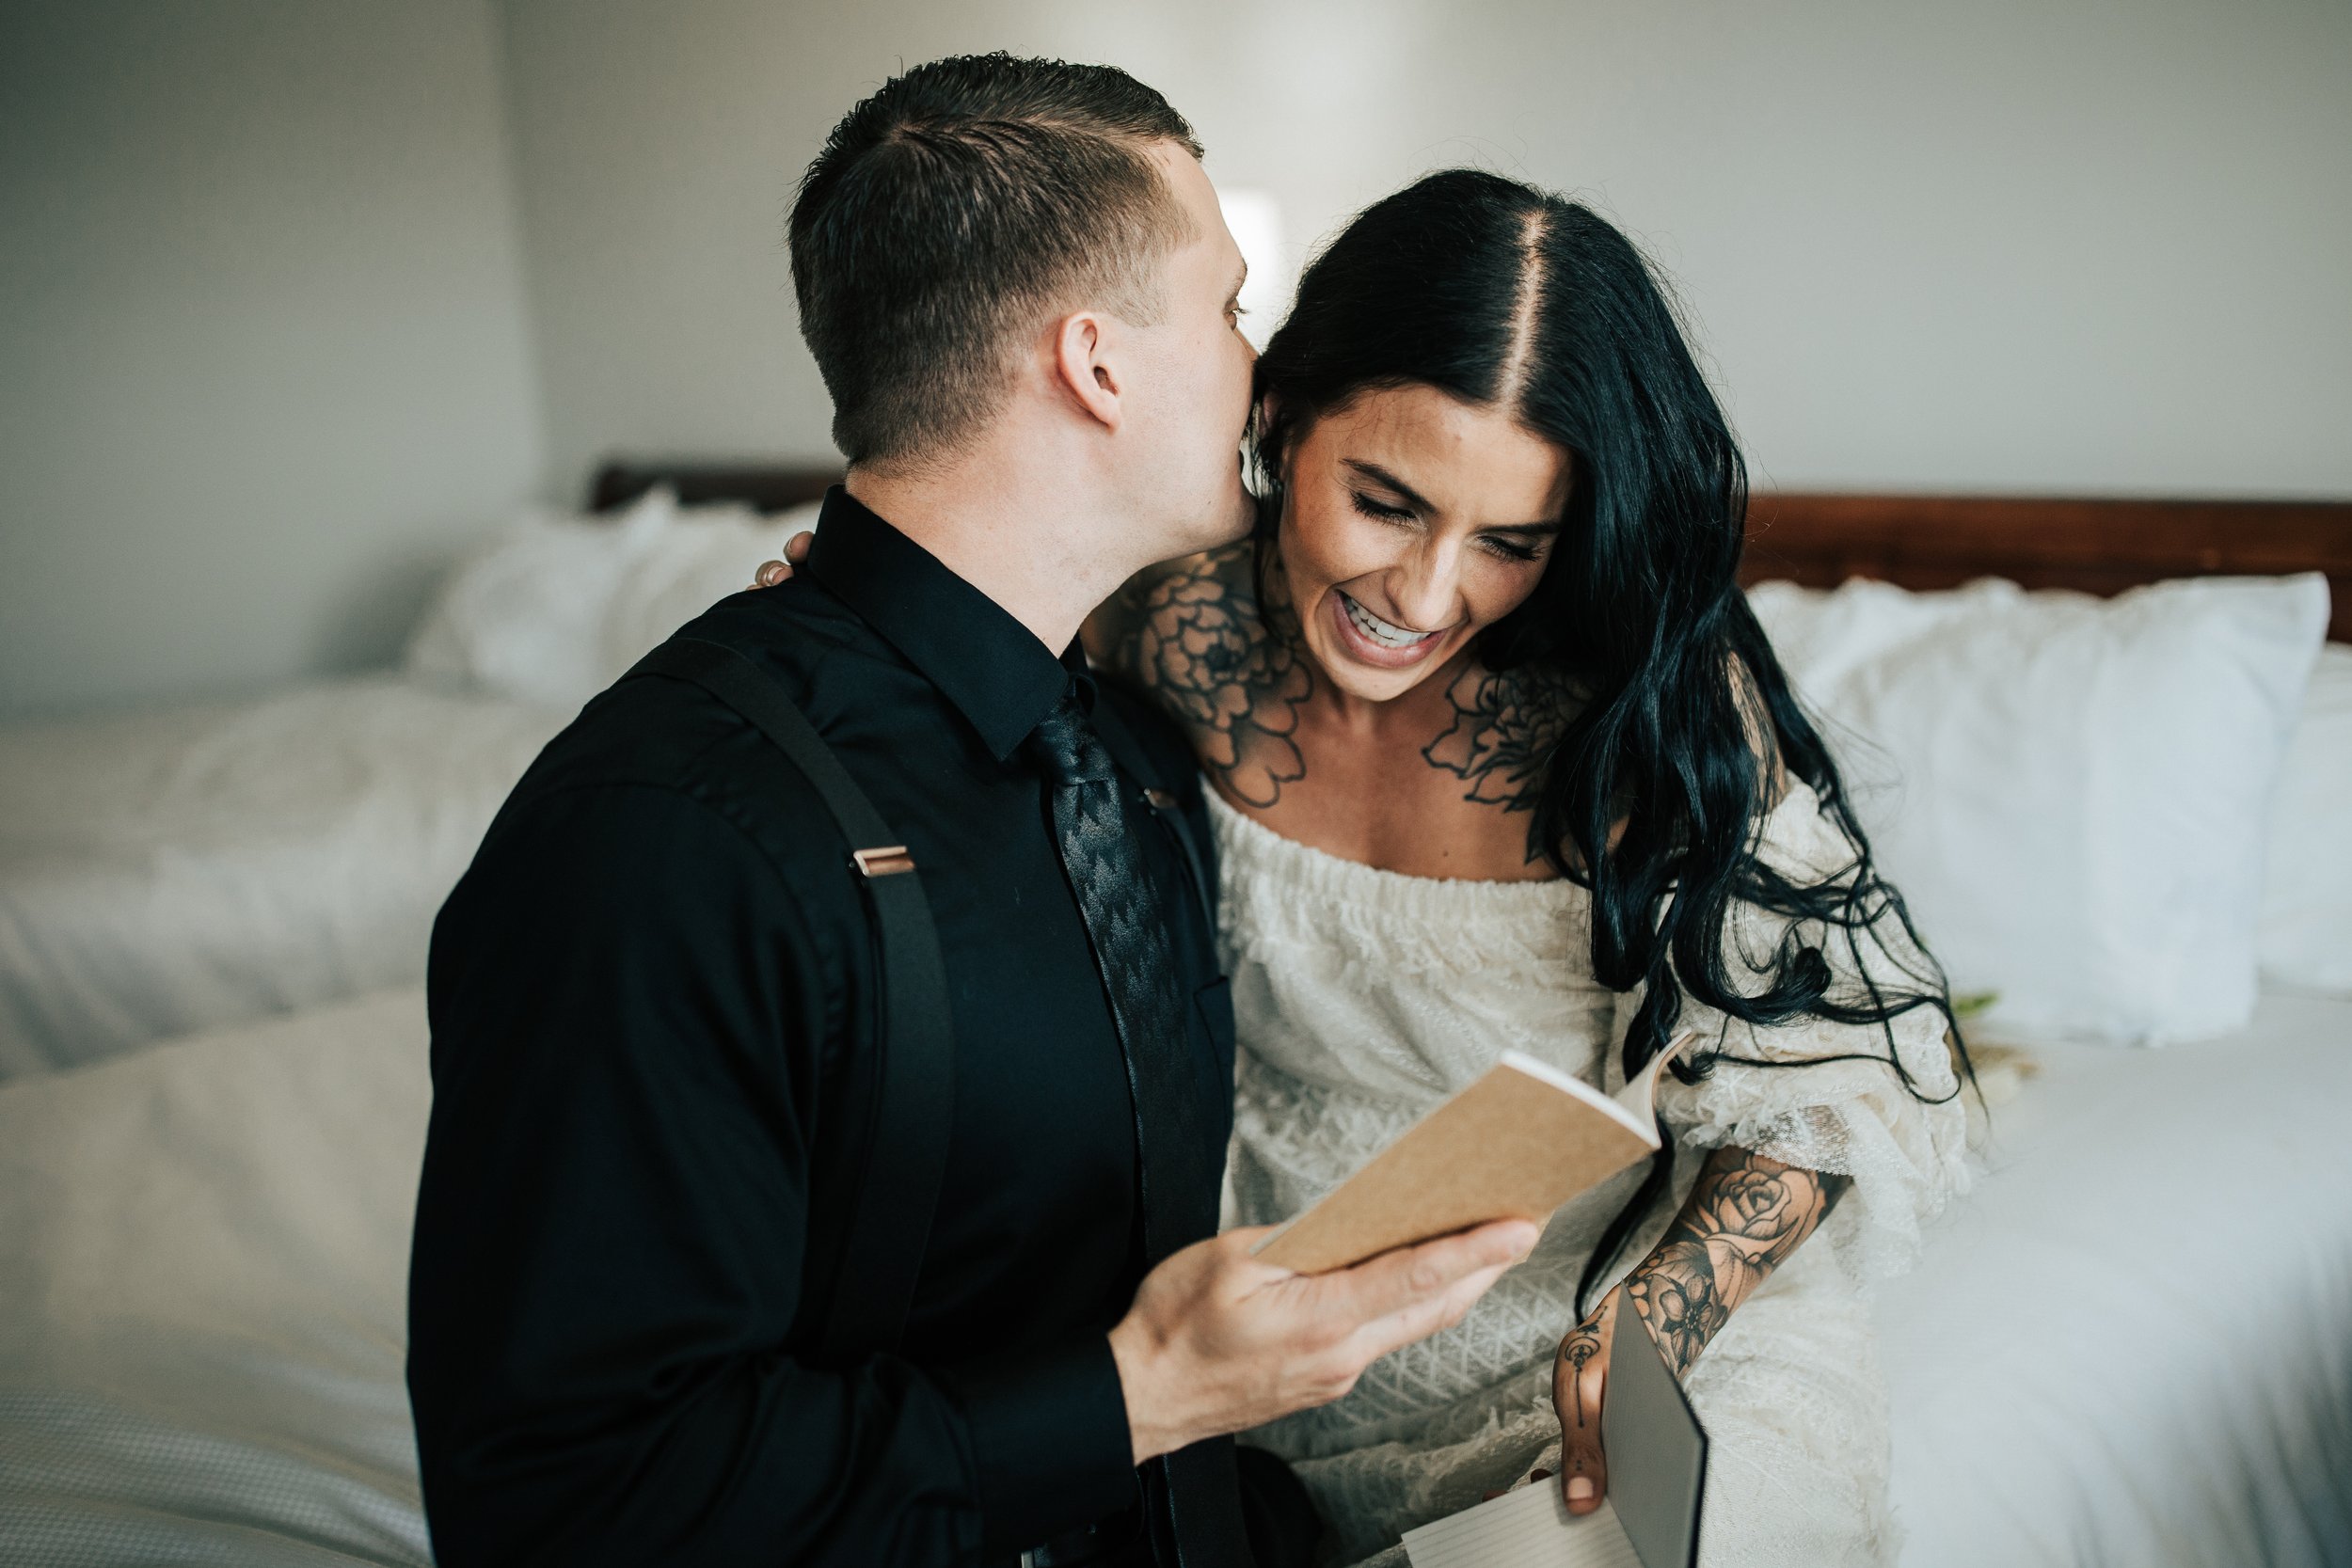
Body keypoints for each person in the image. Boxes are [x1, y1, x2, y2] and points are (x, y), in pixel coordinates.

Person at [405, 56, 1537, 1568]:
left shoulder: (1131, 747)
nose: (1262, 371)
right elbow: (563, 1498)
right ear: (1097, 364)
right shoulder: (666, 840)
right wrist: (1131, 1401)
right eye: (1228, 310)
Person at [758, 167, 1974, 1566]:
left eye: (1511, 543)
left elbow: (1824, 1081)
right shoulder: (1156, 620)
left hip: (1611, 1336)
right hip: (1275, 1339)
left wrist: (1664, 1313)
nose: (1428, 595)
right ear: (1281, 416)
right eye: (1387, 503)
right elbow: (949, 629)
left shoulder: (1643, 715)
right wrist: (855, 625)